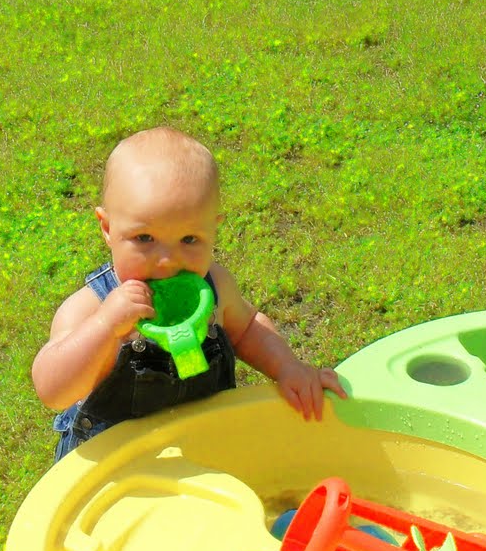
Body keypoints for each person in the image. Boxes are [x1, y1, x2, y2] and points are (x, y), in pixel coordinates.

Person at [33, 126, 345, 459]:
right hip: (114, 470)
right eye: (144, 239)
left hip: (202, 450)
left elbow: (249, 328)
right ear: (108, 228)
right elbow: (53, 390)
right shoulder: (89, 307)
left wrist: (288, 368)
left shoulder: (214, 289)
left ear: (214, 229)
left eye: (189, 240)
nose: (167, 262)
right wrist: (106, 327)